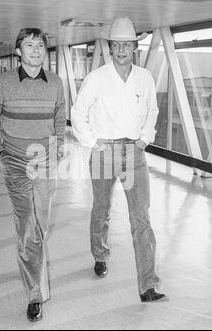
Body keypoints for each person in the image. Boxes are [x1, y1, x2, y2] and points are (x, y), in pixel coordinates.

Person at [71, 17, 167, 303]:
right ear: (111, 48)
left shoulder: (145, 78)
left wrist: (145, 138)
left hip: (134, 154)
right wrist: (91, 141)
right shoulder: (97, 78)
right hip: (104, 153)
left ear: (134, 48)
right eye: (117, 45)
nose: (122, 49)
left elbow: (152, 110)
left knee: (141, 218)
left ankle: (148, 285)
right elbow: (78, 113)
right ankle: (100, 255)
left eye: (127, 45)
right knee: (101, 209)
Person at [0, 28, 66, 322]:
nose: (35, 50)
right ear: (18, 51)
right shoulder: (3, 82)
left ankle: (32, 268)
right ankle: (34, 293)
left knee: (40, 225)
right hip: (15, 163)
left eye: (40, 45)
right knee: (27, 225)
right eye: (29, 45)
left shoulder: (55, 83)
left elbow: (59, 116)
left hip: (45, 164)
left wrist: (59, 148)